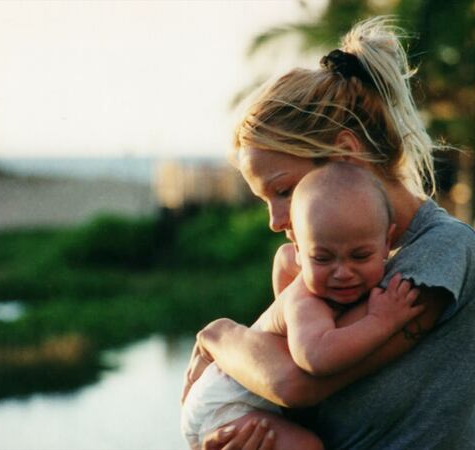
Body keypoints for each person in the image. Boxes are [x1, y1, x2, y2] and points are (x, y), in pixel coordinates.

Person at [185, 16, 475, 449]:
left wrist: (219, 335)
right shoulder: (328, 267)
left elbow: (295, 382)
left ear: (346, 155)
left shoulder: (445, 251)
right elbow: (295, 408)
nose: (276, 221)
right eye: (266, 201)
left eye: (285, 190)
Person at [181, 163, 424, 449]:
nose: (342, 272)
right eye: (322, 259)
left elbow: (283, 259)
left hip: (236, 389)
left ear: (387, 243)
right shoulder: (307, 301)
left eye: (360, 256)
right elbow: (317, 357)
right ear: (300, 251)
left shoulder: (304, 267)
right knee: (307, 446)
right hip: (224, 405)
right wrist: (382, 322)